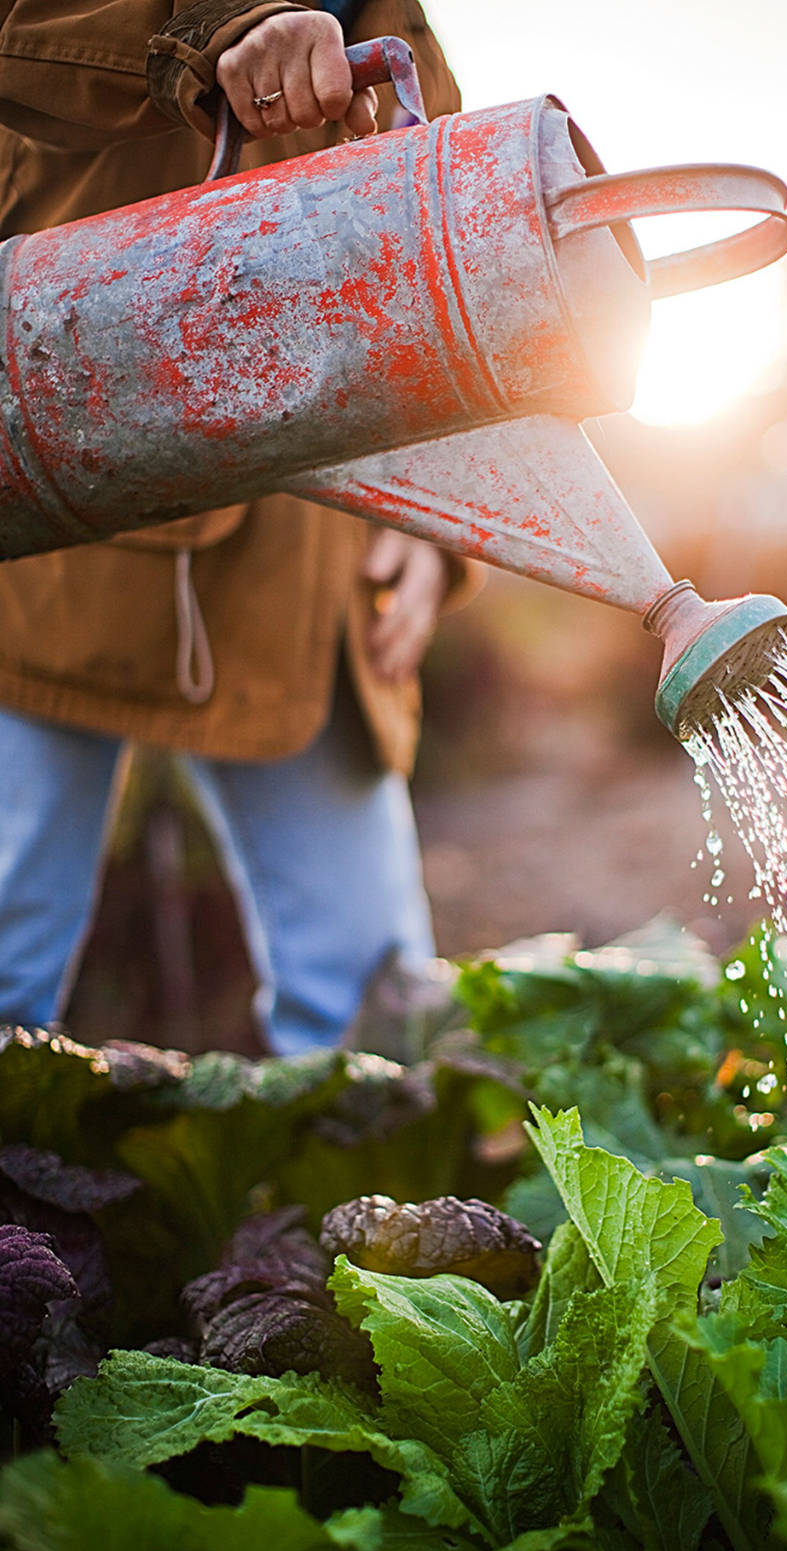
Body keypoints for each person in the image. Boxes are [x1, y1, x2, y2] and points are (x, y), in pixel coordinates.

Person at [0, 0, 472, 1054]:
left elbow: (445, 268)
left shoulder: (394, 17)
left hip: (310, 562)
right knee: (3, 960)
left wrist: (437, 521)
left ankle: (359, 1221)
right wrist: (215, 33)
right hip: (62, 515)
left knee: (370, 1009)